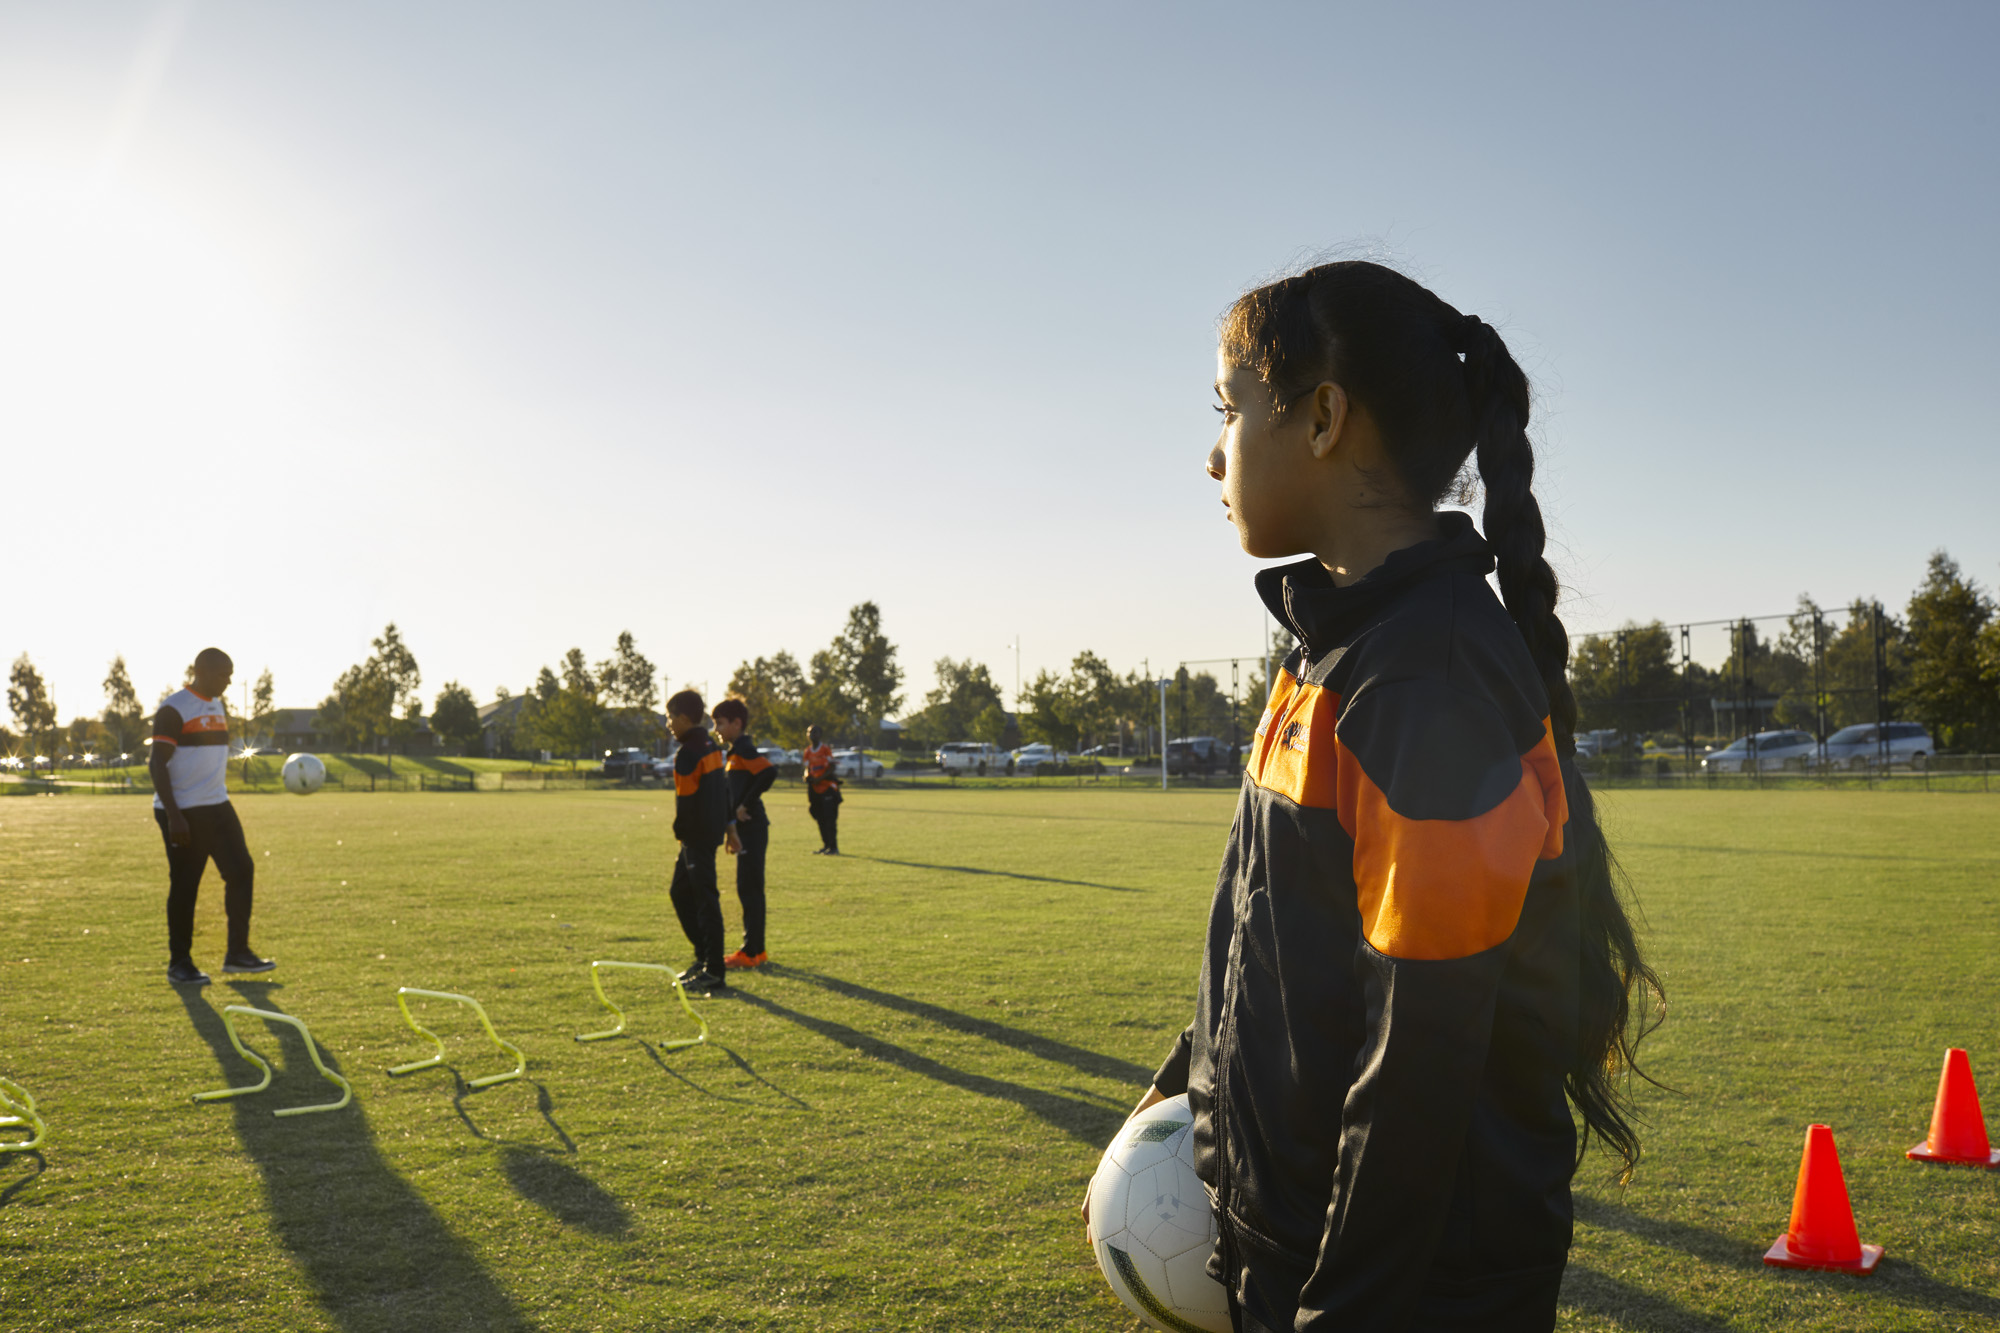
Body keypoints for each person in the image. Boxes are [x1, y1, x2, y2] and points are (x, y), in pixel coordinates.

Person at [1102, 262, 1661, 1332]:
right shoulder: (1333, 649)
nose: (1211, 454)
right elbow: (1266, 934)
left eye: (1229, 409)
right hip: (1299, 1248)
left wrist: (1337, 1312)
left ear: (1321, 417)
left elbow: (1421, 1065)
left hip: (1405, 1288)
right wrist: (1176, 1089)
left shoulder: (1424, 681)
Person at [149, 647, 275, 985]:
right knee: (186, 885)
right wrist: (174, 816)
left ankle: (237, 954)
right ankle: (180, 963)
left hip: (218, 804)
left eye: (231, 674)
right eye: (224, 674)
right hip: (183, 811)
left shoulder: (217, 704)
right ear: (201, 672)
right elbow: (156, 762)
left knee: (241, 870)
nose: (229, 681)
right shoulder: (174, 708)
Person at [665, 689, 733, 996]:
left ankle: (714, 970)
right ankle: (704, 958)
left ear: (682, 718)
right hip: (705, 833)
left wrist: (683, 833)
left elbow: (687, 802)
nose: (668, 724)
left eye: (669, 718)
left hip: (696, 836)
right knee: (680, 893)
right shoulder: (708, 744)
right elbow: (722, 791)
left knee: (705, 900)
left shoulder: (690, 752)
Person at [713, 698, 777, 969]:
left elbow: (769, 772)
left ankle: (751, 952)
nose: (716, 728)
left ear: (736, 724)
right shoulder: (734, 751)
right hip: (745, 830)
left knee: (750, 890)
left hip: (753, 827)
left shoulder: (744, 749)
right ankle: (756, 950)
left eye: (720, 723)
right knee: (748, 889)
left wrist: (745, 804)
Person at [802, 724, 842, 855]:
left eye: (814, 732)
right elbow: (808, 769)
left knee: (830, 818)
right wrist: (807, 776)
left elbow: (832, 767)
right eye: (809, 732)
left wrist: (820, 779)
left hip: (827, 788)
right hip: (815, 790)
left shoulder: (825, 749)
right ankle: (826, 845)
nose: (812, 735)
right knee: (819, 818)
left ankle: (834, 847)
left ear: (820, 735)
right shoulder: (807, 751)